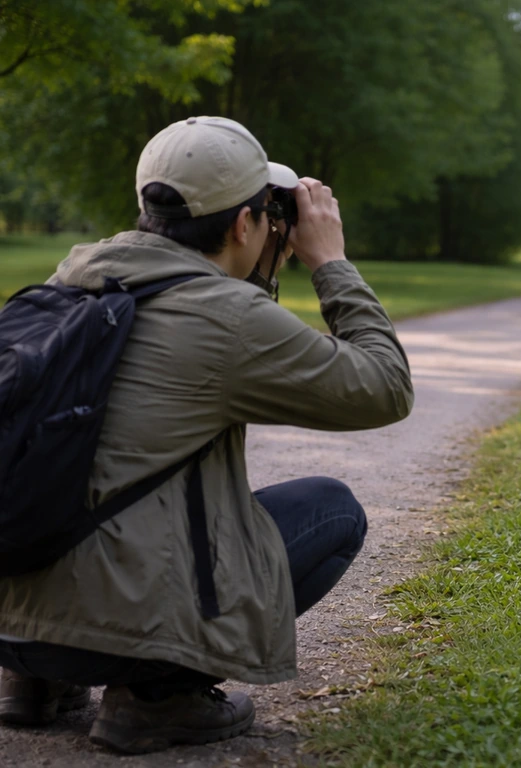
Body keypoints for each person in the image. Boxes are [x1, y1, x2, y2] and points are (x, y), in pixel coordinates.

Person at [0, 116, 414, 753]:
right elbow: (385, 387)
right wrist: (330, 262)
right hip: (111, 633)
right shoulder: (229, 318)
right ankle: (158, 698)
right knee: (331, 511)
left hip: (11, 620)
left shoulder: (72, 278)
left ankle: (29, 681)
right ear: (245, 225)